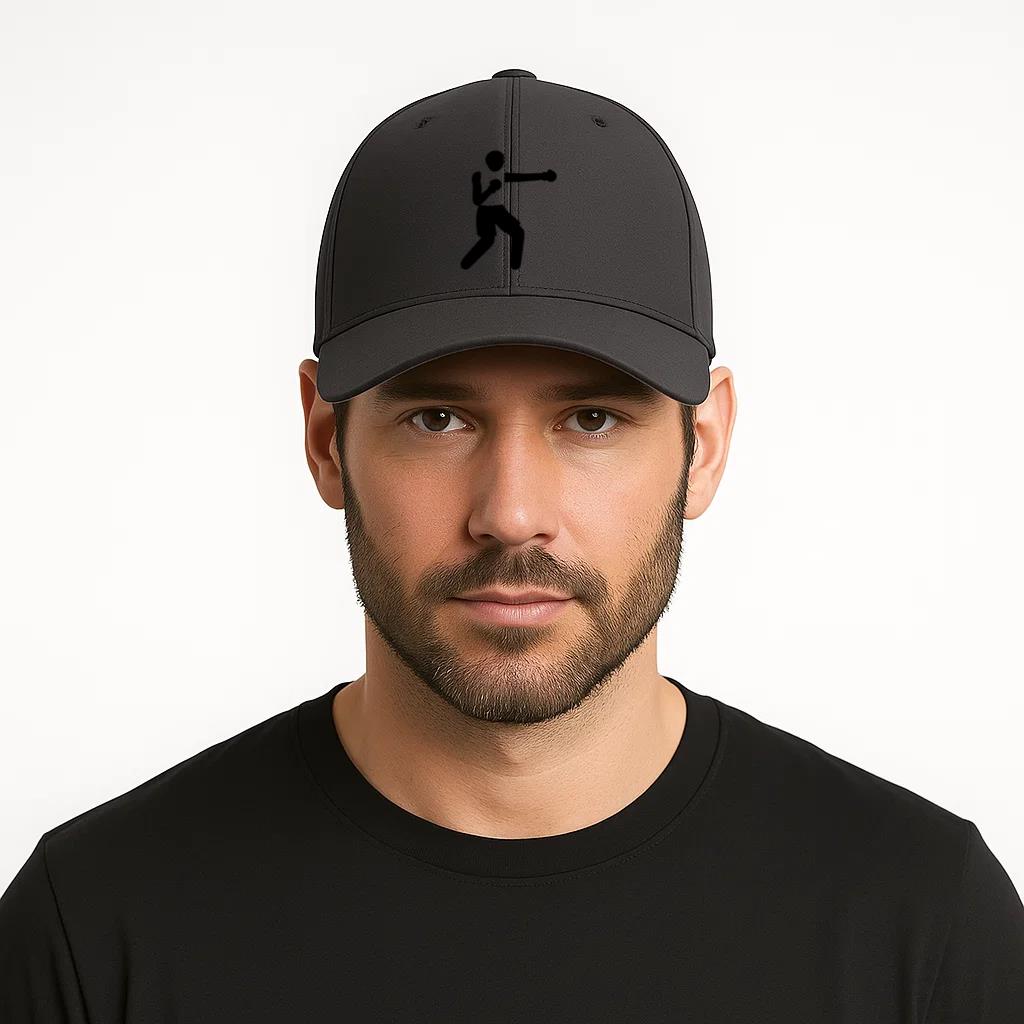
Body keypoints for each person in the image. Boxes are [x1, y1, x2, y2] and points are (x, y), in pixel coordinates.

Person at [2, 68, 1022, 1022]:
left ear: (702, 446)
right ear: (325, 440)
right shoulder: (94, 932)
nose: (511, 512)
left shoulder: (924, 929)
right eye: (438, 418)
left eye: (591, 420)